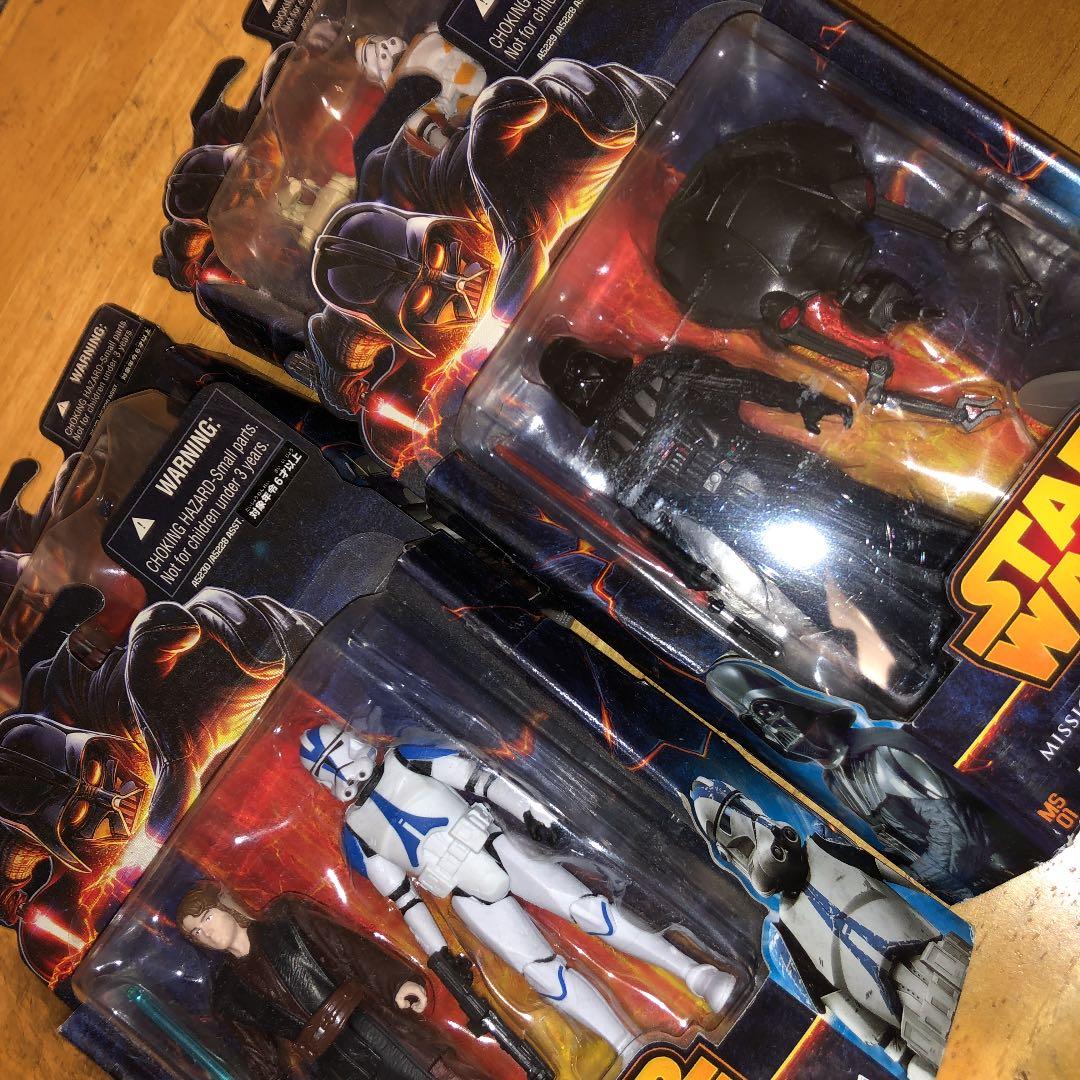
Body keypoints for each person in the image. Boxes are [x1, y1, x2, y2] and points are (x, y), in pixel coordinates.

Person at [177, 882, 476, 1080]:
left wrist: (397, 982)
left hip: (370, 1023)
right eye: (197, 932)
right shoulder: (229, 994)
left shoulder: (285, 920)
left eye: (207, 918)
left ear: (225, 905)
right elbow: (259, 1053)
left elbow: (347, 947)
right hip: (334, 1062)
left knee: (438, 1071)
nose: (207, 933)